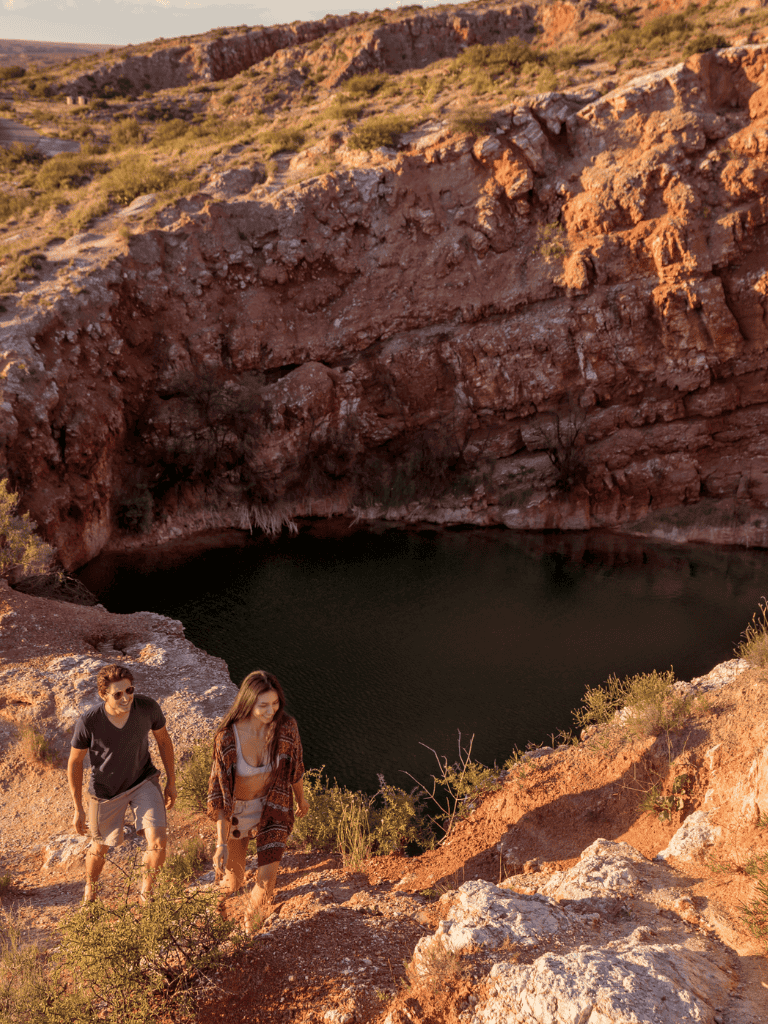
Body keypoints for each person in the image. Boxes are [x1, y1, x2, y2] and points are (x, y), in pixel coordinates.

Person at [67, 664, 177, 902]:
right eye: (118, 694)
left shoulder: (147, 708)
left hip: (142, 780)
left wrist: (171, 782)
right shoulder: (88, 722)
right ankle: (90, 890)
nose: (126, 698)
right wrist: (78, 808)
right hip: (105, 791)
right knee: (99, 848)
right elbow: (75, 763)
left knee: (158, 840)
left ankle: (146, 894)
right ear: (103, 695)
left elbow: (164, 742)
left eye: (130, 690)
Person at [207, 669, 308, 918]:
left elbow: (295, 768)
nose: (271, 710)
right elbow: (218, 794)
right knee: (234, 882)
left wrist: (301, 798)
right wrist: (221, 843)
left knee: (266, 883)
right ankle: (209, 910)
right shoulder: (227, 737)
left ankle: (250, 934)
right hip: (237, 814)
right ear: (248, 702)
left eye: (275, 703)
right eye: (263, 705)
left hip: (273, 808)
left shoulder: (287, 728)